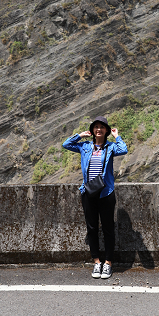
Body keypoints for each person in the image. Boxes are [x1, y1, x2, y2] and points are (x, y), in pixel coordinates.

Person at [62, 116, 127, 279]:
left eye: (102, 127)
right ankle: (97, 262)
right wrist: (80, 136)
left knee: (107, 228)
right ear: (92, 130)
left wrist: (116, 136)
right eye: (96, 127)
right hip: (88, 192)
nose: (99, 129)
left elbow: (124, 149)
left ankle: (108, 263)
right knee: (91, 228)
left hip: (106, 193)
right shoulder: (85, 146)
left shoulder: (111, 147)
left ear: (106, 130)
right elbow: (66, 144)